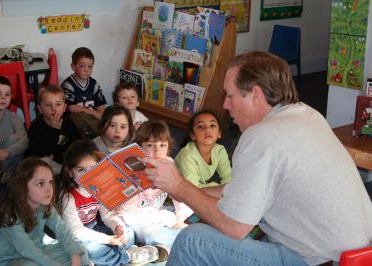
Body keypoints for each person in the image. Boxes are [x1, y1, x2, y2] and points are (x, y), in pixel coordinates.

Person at [144, 51, 372, 265]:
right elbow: (246, 188)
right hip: (358, 253)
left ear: (256, 94)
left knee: (192, 241)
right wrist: (188, 191)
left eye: (230, 96)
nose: (225, 104)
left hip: (318, 259)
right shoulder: (306, 114)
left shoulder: (261, 136)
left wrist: (179, 185)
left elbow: (234, 226)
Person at [56, 139, 166, 265]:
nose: (87, 176)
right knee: (90, 249)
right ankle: (127, 256)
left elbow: (107, 215)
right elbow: (76, 231)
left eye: (92, 170)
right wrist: (108, 240)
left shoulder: (99, 190)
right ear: (70, 172)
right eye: (81, 170)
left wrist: (118, 227)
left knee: (128, 232)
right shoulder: (68, 196)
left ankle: (114, 256)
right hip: (73, 235)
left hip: (94, 226)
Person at [0, 157, 90, 265]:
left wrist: (75, 255)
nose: (49, 189)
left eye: (50, 182)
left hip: (39, 249)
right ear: (22, 186)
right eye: (40, 184)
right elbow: (27, 250)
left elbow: (63, 231)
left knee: (81, 252)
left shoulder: (45, 206)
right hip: (12, 260)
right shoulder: (10, 217)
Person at [114, 120, 182, 252]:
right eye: (150, 145)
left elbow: (178, 193)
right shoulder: (131, 168)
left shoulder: (168, 163)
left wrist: (179, 218)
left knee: (177, 216)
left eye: (163, 145)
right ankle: (173, 245)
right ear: (138, 147)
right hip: (133, 217)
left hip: (156, 210)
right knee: (147, 233)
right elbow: (130, 215)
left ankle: (165, 247)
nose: (157, 151)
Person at [28, 85, 81, 174]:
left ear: (64, 108)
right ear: (40, 109)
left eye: (58, 104)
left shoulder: (68, 123)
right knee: (42, 163)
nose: (54, 109)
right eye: (48, 105)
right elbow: (42, 152)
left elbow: (75, 144)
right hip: (44, 161)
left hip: (63, 159)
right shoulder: (35, 126)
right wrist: (55, 130)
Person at [175, 110, 232, 188]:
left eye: (212, 125)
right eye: (200, 126)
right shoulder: (187, 156)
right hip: (177, 189)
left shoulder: (219, 150)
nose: (207, 129)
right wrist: (218, 188)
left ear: (219, 133)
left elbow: (228, 177)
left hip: (199, 186)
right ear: (193, 135)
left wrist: (227, 189)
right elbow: (193, 189)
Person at [61, 47, 106, 138]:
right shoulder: (68, 84)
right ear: (73, 66)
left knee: (110, 114)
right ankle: (103, 133)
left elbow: (100, 105)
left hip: (91, 119)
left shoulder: (94, 84)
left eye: (90, 66)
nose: (86, 70)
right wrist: (94, 113)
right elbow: (72, 108)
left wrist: (102, 116)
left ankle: (104, 131)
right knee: (79, 117)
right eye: (82, 66)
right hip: (75, 120)